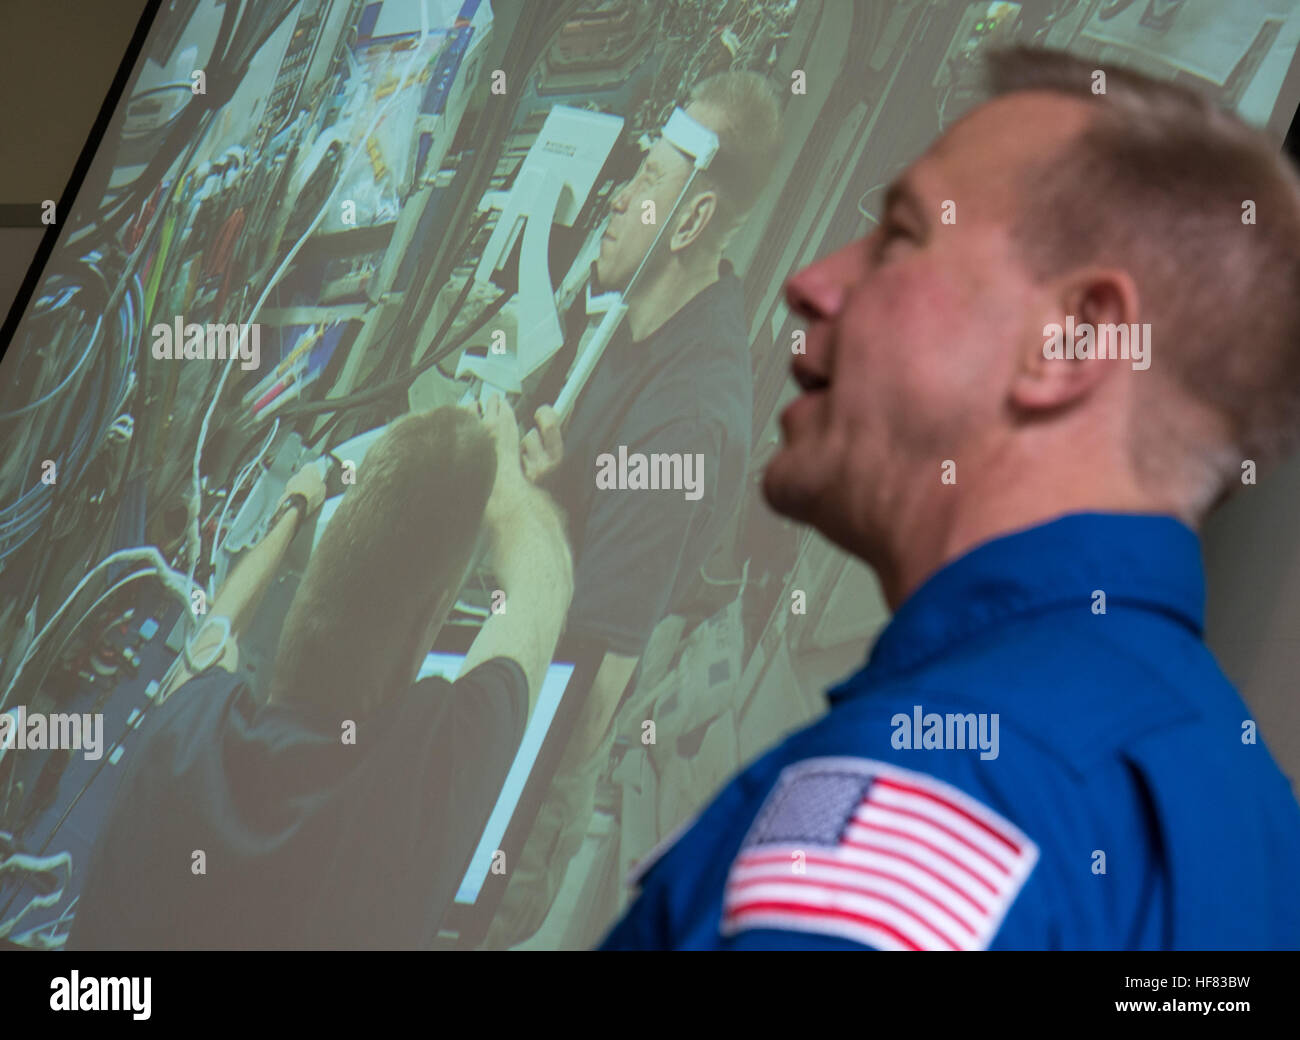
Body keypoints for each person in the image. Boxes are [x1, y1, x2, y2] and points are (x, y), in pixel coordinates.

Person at [600, 46, 1300, 951]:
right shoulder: (1243, 808)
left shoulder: (903, 822)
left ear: (1069, 343)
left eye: (898, 238)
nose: (813, 283)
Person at [70, 399, 573, 949]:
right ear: (429, 623)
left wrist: (294, 507)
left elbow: (214, 636)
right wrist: (508, 490)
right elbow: (544, 584)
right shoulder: (420, 788)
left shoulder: (179, 732)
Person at [485, 70, 784, 946]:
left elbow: (587, 696)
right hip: (514, 676)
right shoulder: (628, 315)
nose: (619, 195)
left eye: (649, 178)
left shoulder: (690, 421)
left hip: (527, 767)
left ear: (688, 220)